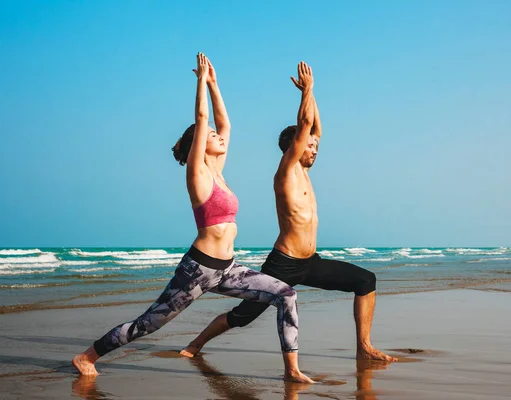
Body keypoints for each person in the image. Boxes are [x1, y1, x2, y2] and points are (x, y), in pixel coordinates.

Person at [72, 53, 313, 383]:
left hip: (227, 269)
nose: (218, 135)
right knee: (148, 324)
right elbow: (203, 120)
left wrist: (216, 85)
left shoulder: (220, 172)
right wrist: (200, 81)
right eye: (210, 135)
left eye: (216, 135)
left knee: (286, 294)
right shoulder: (198, 175)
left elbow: (225, 124)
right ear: (197, 145)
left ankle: (292, 371)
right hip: (198, 269)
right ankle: (87, 356)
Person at [180, 61, 397, 362]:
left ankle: (363, 347)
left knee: (365, 280)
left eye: (314, 146)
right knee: (244, 316)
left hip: (311, 261)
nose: (315, 149)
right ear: (293, 148)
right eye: (309, 147)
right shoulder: (286, 170)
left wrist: (312, 93)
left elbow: (315, 129)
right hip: (284, 263)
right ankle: (196, 344)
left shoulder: (306, 171)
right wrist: (305, 92)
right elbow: (305, 129)